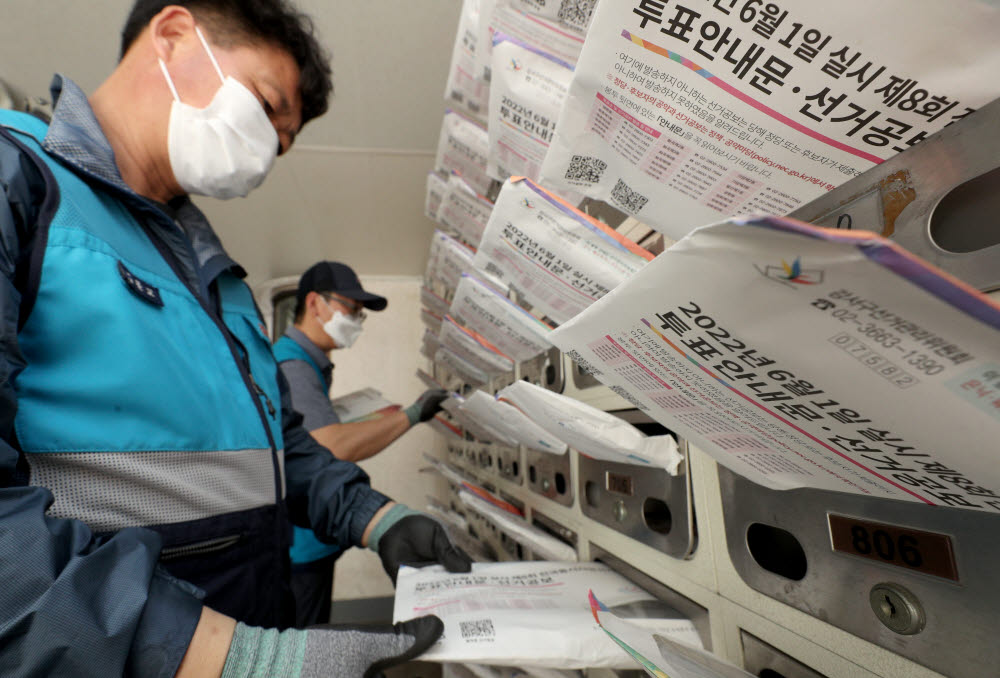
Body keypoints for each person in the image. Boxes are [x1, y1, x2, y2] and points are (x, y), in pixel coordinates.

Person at [0, 2, 470, 677]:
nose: (264, 152)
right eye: (266, 105)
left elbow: (282, 449)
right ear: (172, 34)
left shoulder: (219, 283)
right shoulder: (21, 183)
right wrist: (233, 658)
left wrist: (376, 517)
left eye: (281, 143)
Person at [274, 260, 450, 626]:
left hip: (309, 538)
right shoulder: (293, 366)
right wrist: (414, 414)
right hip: (302, 548)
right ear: (313, 304)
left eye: (360, 314)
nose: (355, 320)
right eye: (350, 309)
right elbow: (331, 448)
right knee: (307, 640)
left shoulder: (308, 362)